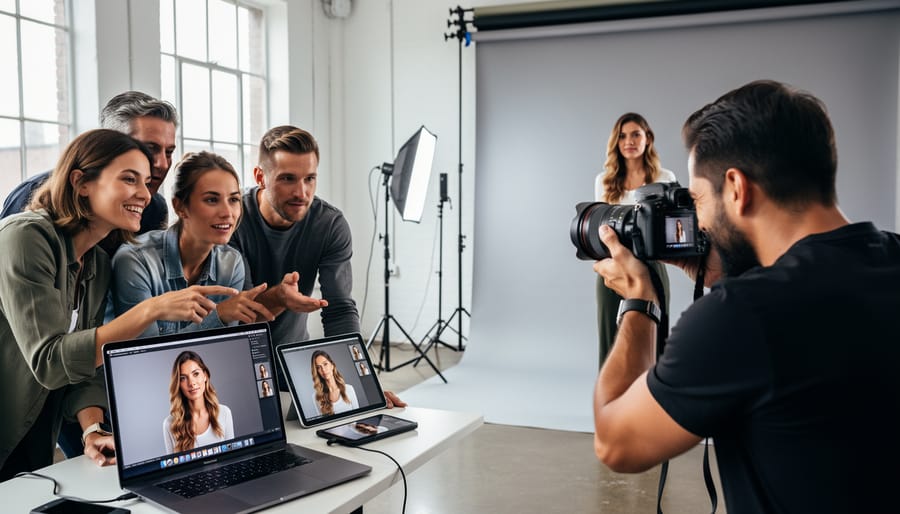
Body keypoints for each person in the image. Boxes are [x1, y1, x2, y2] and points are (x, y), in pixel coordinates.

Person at [591, 80, 900, 513]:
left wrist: (641, 301)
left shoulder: (741, 316)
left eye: (696, 198)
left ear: (736, 187)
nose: (694, 219)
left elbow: (615, 441)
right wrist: (724, 275)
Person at [0, 129, 236, 479]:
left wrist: (92, 429)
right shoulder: (25, 237)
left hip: (32, 435)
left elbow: (87, 366)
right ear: (81, 182)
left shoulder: (94, 262)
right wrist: (151, 309)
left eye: (144, 181)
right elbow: (49, 360)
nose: (144, 193)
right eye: (129, 179)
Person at [230, 126, 406, 408]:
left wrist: (361, 381)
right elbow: (241, 315)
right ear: (260, 177)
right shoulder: (231, 217)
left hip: (292, 363)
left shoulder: (329, 225)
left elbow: (338, 309)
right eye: (288, 179)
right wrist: (278, 297)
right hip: (232, 366)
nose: (302, 192)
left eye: (309, 178)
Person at [111, 151, 274, 337]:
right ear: (179, 206)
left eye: (234, 199)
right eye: (212, 200)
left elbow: (226, 347)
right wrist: (219, 315)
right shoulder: (136, 260)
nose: (228, 213)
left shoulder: (231, 263)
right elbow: (146, 354)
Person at [1, 91, 178, 255]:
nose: (162, 164)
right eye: (147, 148)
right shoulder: (33, 196)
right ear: (106, 142)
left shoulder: (154, 209)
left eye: (169, 152)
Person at [594, 113, 675, 367]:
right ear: (616, 142)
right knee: (611, 338)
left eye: (636, 134)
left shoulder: (664, 178)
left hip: (652, 265)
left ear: (647, 138)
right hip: (614, 265)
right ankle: (611, 402)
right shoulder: (604, 181)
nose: (629, 141)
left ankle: (653, 397)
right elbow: (600, 229)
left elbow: (669, 225)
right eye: (622, 136)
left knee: (656, 335)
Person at [163, 350, 234, 453]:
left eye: (195, 374)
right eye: (183, 378)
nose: (191, 383)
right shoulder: (170, 424)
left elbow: (232, 456)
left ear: (205, 375)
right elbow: (173, 467)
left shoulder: (224, 413)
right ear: (178, 384)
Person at [310, 350, 359, 416]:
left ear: (332, 365)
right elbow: (322, 424)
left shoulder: (349, 389)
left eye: (325, 364)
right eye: (318, 367)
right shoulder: (317, 397)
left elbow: (358, 417)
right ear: (317, 371)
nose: (323, 369)